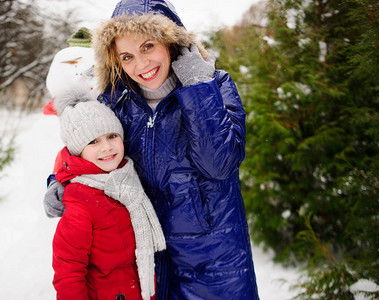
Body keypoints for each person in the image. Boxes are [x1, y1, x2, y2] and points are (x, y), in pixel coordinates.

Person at [45, 0, 259, 298]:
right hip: (148, 262)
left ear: (172, 41)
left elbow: (219, 164)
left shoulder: (215, 86)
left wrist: (196, 86)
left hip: (214, 267)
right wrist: (60, 180)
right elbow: (88, 147)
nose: (141, 65)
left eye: (148, 47)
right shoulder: (116, 100)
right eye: (127, 56)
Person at [46, 42, 166, 300]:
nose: (107, 147)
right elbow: (68, 270)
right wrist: (55, 181)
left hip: (140, 288)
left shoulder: (127, 178)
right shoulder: (81, 200)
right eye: (93, 142)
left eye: (112, 136)